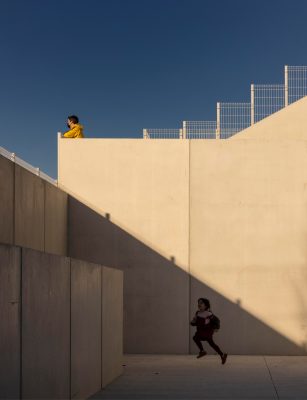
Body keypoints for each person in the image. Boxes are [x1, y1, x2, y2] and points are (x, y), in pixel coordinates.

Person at [191, 298, 227, 364]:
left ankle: (202, 351)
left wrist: (217, 327)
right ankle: (222, 355)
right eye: (198, 303)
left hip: (206, 331)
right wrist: (193, 322)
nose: (199, 304)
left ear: (206, 305)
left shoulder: (208, 313)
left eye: (201, 303)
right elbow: (196, 323)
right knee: (211, 344)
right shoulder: (197, 313)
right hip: (200, 331)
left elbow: (217, 320)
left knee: (196, 338)